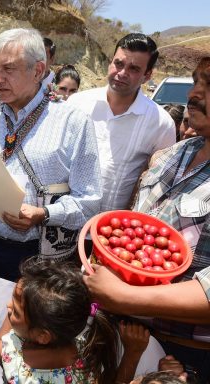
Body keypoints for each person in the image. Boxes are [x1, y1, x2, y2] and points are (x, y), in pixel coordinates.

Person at [84, 57, 210, 383]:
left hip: (182, 355)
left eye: (208, 87)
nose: (195, 94)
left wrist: (126, 296)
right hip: (118, 328)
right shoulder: (170, 155)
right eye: (197, 82)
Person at [0, 28, 102, 313]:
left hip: (37, 259)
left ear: (38, 70)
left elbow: (89, 200)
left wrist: (44, 215)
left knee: (24, 341)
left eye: (8, 70)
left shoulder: (73, 122)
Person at [0, 257, 153, 384]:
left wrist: (21, 297)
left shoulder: (13, 360)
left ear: (43, 336)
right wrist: (132, 353)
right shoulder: (88, 346)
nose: (8, 307)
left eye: (15, 311)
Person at [67, 33, 175, 212]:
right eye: (118, 64)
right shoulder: (76, 104)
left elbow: (158, 184)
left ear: (147, 75)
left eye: (133, 69)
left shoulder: (161, 124)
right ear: (110, 62)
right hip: (63, 223)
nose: (122, 73)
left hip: (113, 232)